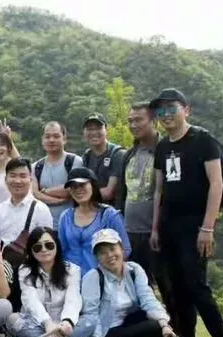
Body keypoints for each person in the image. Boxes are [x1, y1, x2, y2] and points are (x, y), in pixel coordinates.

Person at [150, 88, 223, 337]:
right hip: (168, 223)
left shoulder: (202, 140)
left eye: (171, 108)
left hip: (195, 224)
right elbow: (158, 190)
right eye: (161, 110)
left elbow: (216, 184)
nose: (166, 114)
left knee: (196, 284)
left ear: (186, 110)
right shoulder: (163, 146)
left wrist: (207, 228)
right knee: (176, 284)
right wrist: (155, 228)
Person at [82, 229, 180, 337]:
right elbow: (91, 315)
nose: (110, 255)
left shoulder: (134, 270)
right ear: (97, 258)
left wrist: (164, 325)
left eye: (112, 249)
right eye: (103, 253)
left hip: (128, 323)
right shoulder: (93, 277)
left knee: (159, 320)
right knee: (154, 328)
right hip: (106, 332)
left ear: (122, 249)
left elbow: (148, 299)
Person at [6, 227, 93, 337]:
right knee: (12, 319)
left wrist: (67, 321)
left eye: (49, 245)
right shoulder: (25, 270)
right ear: (31, 251)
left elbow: (73, 299)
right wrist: (47, 323)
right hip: (36, 325)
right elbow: (30, 301)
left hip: (63, 326)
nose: (44, 250)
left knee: (91, 321)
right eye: (37, 247)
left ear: (57, 246)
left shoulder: (72, 270)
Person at [117, 102, 167, 290]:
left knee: (165, 285)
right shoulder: (129, 154)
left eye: (139, 120)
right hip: (129, 232)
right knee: (134, 285)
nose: (133, 125)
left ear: (154, 121)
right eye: (130, 121)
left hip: (156, 233)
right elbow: (123, 193)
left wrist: (159, 228)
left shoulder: (165, 150)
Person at [58, 167, 130, 275]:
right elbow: (61, 249)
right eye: (73, 186)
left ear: (93, 185)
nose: (78, 190)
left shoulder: (110, 215)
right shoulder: (65, 217)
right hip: (71, 278)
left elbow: (125, 249)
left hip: (102, 277)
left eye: (82, 185)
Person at [0, 158, 53, 270]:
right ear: (5, 179)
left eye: (23, 176)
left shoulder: (41, 209)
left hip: (32, 269)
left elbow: (47, 245)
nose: (17, 181)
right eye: (13, 176)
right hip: (4, 270)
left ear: (30, 180)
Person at [32, 121, 83, 228]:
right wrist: (58, 200)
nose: (51, 140)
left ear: (64, 139)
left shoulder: (75, 161)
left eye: (56, 136)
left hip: (72, 225)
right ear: (42, 140)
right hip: (44, 227)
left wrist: (45, 191)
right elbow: (35, 195)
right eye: (47, 137)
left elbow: (73, 189)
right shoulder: (36, 167)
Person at [80, 113, 125, 203]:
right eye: (90, 129)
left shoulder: (117, 154)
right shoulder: (86, 156)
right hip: (92, 208)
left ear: (106, 130)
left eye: (98, 128)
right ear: (84, 132)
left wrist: (79, 195)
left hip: (113, 210)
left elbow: (109, 192)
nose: (94, 132)